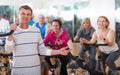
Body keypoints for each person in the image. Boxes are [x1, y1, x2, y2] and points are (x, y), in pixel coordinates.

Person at [5, 5, 69, 75]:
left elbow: (42, 51)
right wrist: (10, 34)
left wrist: (59, 51)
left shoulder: (36, 31)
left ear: (30, 17)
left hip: (34, 70)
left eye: (28, 14)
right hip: (18, 70)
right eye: (23, 14)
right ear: (18, 15)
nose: (25, 16)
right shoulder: (12, 31)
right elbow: (9, 50)